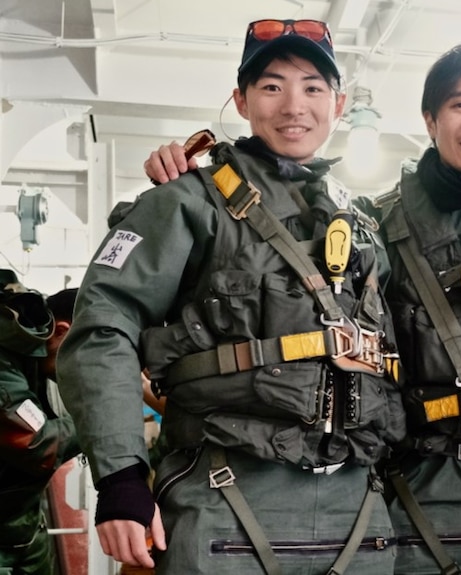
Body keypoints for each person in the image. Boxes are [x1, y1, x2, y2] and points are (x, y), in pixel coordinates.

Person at [146, 43, 461, 575]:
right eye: (460, 104)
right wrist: (182, 185)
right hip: (411, 498)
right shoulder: (370, 228)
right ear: (430, 119)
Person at [57, 18, 405, 575]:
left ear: (338, 105)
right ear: (240, 100)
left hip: (358, 511)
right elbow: (103, 326)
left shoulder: (364, 226)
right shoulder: (186, 203)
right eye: (272, 86)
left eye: (313, 87)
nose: (295, 104)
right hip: (223, 501)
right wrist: (121, 475)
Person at [0, 276, 80, 575]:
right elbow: (37, 445)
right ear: (61, 331)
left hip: (23, 527)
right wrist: (98, 419)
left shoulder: (31, 357)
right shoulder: (4, 361)